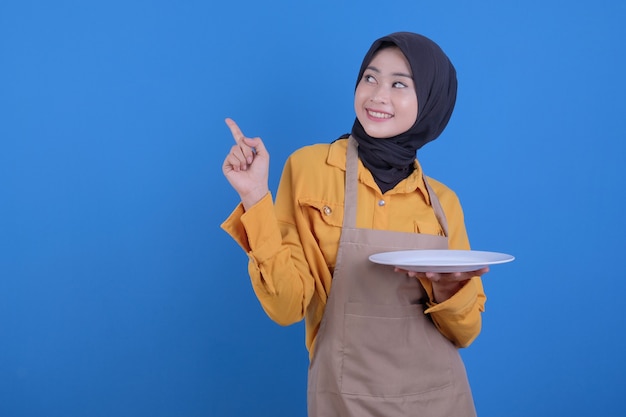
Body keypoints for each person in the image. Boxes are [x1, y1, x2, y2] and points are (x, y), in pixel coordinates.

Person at [221, 32, 488, 417]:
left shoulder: (442, 204)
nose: (378, 95)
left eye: (399, 84)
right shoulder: (310, 170)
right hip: (342, 400)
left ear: (430, 101)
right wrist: (255, 198)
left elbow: (466, 332)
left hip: (439, 399)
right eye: (370, 77)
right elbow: (286, 306)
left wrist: (450, 292)